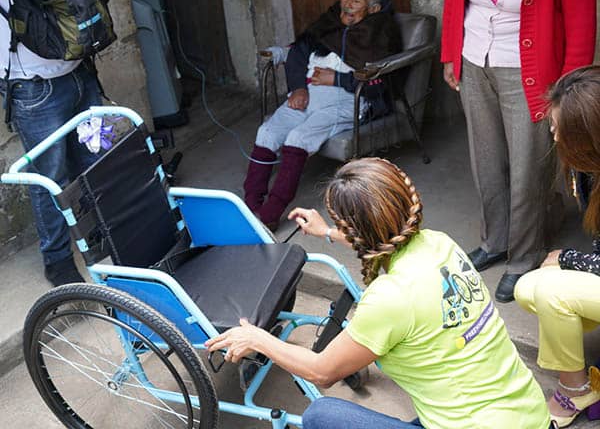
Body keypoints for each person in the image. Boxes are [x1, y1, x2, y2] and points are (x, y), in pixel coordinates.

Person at [207, 157, 552, 428]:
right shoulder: (440, 243)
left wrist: (257, 338)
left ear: (357, 229)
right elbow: (387, 238)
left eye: (342, 224)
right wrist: (328, 232)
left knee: (320, 415)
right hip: (529, 416)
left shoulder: (391, 298)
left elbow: (322, 371)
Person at [441, 0, 596, 303]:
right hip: (475, 57)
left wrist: (567, 92)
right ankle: (494, 241)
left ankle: (524, 257)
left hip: (531, 69)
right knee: (485, 159)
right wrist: (450, 51)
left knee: (529, 168)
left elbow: (581, 21)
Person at [243, 0, 402, 230]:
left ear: (373, 8)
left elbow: (381, 82)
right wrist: (297, 88)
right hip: (307, 95)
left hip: (347, 101)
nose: (347, 4)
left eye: (356, 0)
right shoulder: (330, 21)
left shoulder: (380, 33)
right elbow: (298, 51)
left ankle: (270, 214)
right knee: (267, 132)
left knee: (298, 137)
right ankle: (250, 206)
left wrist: (337, 79)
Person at [0, 0, 103, 286]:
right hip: (33, 83)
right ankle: (57, 260)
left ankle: (101, 236)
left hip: (79, 67)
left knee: (94, 160)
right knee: (49, 178)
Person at [515, 66, 600, 427]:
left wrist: (566, 259)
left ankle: (576, 391)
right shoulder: (589, 169)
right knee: (528, 287)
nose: (552, 134)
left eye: (557, 127)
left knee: (550, 286)